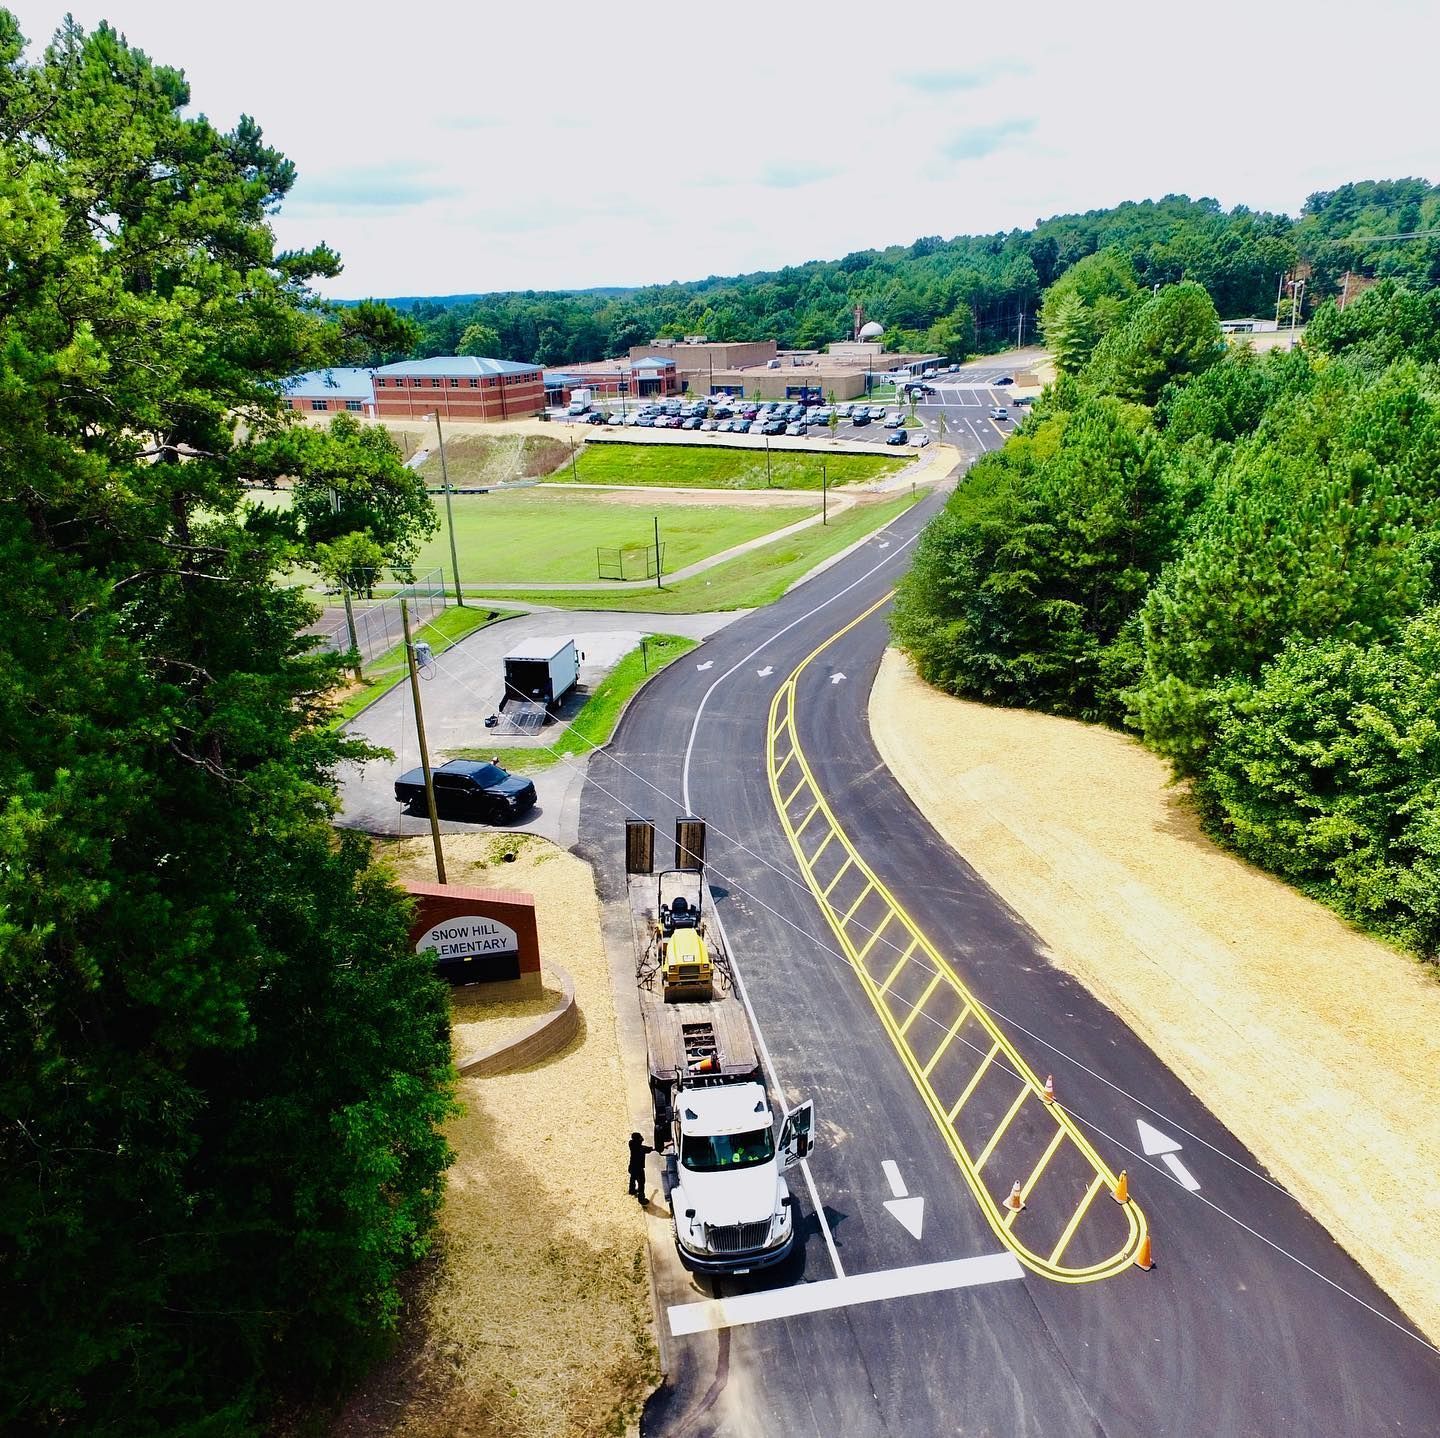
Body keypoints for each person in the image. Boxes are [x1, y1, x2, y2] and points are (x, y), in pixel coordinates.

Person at [627, 1131, 653, 1203]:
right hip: (639, 1169)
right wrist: (652, 1148)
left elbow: (641, 1145)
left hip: (632, 1166)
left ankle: (632, 1190)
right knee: (641, 1183)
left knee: (632, 1178)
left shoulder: (631, 1144)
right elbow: (647, 1149)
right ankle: (641, 1199)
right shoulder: (641, 1149)